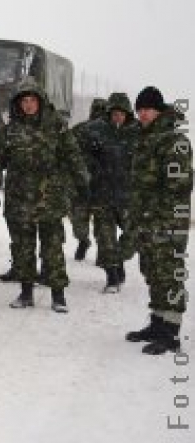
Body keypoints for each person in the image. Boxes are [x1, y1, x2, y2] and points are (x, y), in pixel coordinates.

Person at [0, 79, 89, 312]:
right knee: (23, 247)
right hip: (18, 199)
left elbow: (73, 155)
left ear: (40, 102)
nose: (29, 105)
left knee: (52, 247)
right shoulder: (9, 130)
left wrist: (83, 182)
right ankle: (25, 293)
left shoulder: (56, 126)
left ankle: (58, 295)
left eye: (33, 100)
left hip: (50, 199)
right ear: (18, 103)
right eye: (24, 101)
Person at [125, 86, 192, 355]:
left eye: (147, 109)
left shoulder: (174, 140)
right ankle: (157, 323)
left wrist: (156, 213)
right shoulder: (145, 139)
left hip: (167, 220)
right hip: (147, 219)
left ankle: (171, 333)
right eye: (139, 110)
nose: (142, 114)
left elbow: (180, 184)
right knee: (153, 271)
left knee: (169, 274)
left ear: (159, 109)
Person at [82, 92, 136, 293]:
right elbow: (78, 155)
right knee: (105, 238)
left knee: (134, 235)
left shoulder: (138, 132)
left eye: (122, 113)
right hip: (101, 194)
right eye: (114, 113)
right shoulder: (93, 130)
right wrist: (92, 160)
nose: (118, 117)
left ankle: (119, 259)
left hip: (129, 196)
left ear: (128, 114)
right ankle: (112, 277)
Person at [70, 97, 107, 261]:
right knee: (79, 220)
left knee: (102, 224)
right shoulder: (79, 130)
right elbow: (68, 151)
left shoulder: (113, 133)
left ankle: (102, 252)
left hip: (102, 185)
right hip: (81, 183)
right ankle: (83, 241)